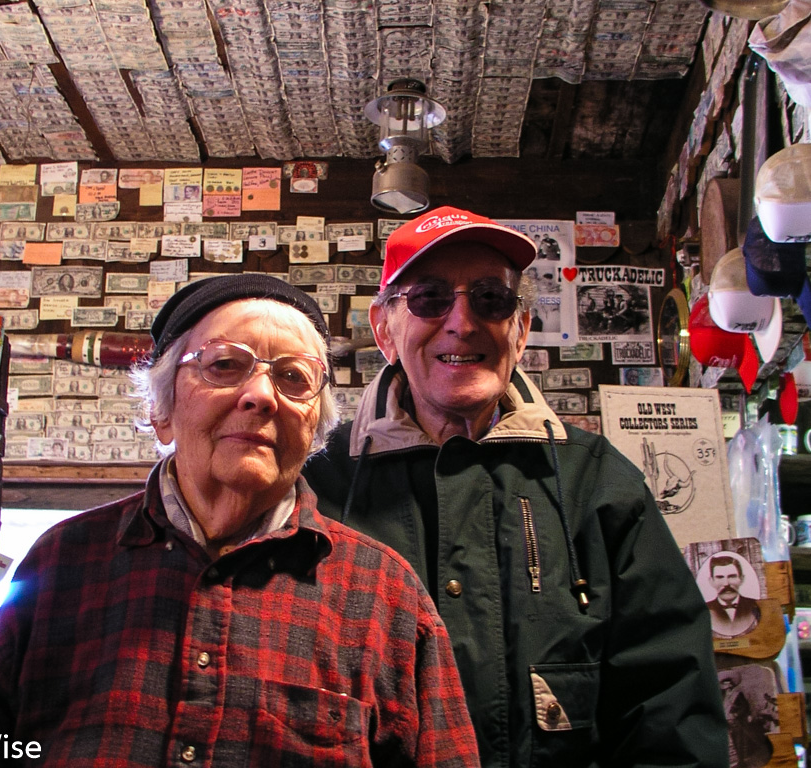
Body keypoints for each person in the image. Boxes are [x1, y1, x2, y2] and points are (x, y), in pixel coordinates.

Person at [0, 274, 480, 768]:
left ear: (316, 429)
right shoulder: (60, 562)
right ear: (162, 409)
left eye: (293, 378)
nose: (262, 396)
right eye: (224, 365)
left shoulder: (386, 594)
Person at [303, 206, 728, 768]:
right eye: (430, 298)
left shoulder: (598, 482)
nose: (462, 321)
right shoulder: (316, 483)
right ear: (385, 329)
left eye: (490, 298)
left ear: (520, 329)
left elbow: (672, 714)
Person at [706, 554, 761, 638]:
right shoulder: (704, 610)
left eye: (732, 576)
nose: (726, 583)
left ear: (741, 579)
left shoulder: (755, 606)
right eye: (720, 577)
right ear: (711, 581)